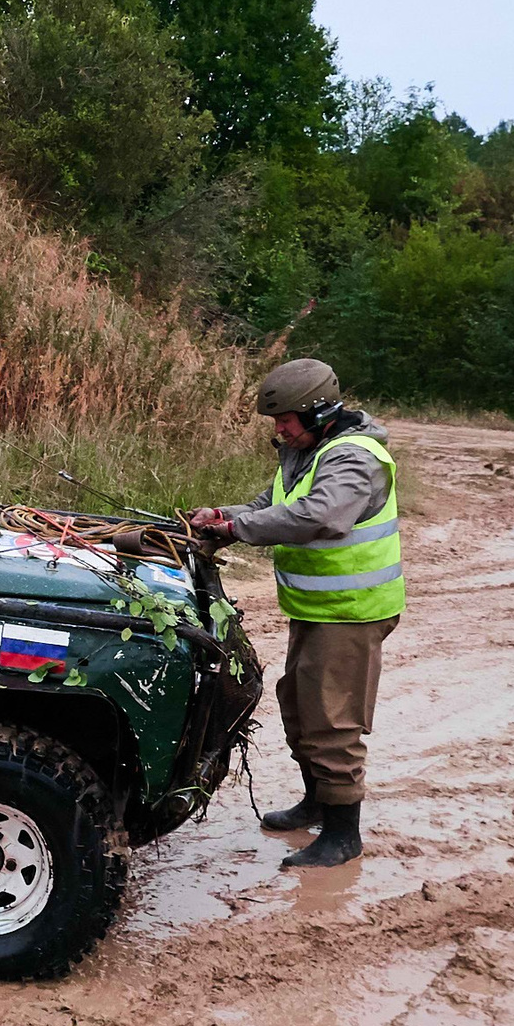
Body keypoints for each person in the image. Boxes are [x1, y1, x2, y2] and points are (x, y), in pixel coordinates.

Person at [190, 359, 404, 869]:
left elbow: (321, 516)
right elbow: (268, 504)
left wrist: (235, 532)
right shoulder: (303, 451)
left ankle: (342, 835)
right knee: (299, 706)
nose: (279, 429)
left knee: (332, 720)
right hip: (316, 606)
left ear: (320, 410)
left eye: (286, 418)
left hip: (351, 612)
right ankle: (316, 801)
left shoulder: (353, 458)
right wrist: (222, 516)